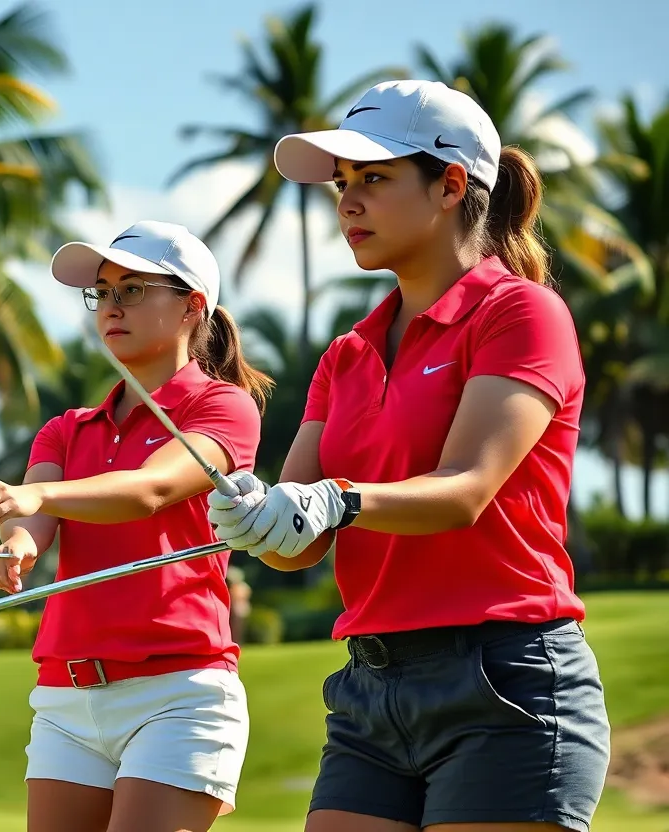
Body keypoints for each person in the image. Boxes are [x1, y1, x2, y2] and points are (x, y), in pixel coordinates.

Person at [207, 80, 611, 832]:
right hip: (370, 691)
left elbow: (464, 490)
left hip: (506, 682)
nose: (346, 202)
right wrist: (257, 516)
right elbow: (301, 545)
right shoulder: (347, 354)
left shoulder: (522, 313)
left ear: (452, 184)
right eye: (341, 184)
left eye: (374, 178)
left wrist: (339, 497)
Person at [0, 220, 273, 832]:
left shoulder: (221, 407)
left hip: (177, 693)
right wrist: (15, 544)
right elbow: (40, 523)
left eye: (131, 290)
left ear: (192, 305)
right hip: (65, 695)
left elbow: (150, 489)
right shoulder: (66, 428)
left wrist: (34, 493)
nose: (110, 306)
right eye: (102, 292)